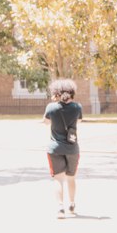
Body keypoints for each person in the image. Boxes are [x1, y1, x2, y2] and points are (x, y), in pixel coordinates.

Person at [44, 78, 82, 218]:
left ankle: (60, 208)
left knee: (58, 179)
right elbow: (79, 121)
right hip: (72, 148)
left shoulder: (51, 107)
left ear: (56, 93)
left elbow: (46, 122)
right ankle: (72, 204)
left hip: (55, 148)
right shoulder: (78, 107)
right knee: (71, 178)